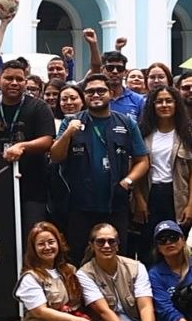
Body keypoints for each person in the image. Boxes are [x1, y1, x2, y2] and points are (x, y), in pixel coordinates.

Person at [0, 60, 56, 321]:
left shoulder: (38, 107)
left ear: (26, 81)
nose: (14, 83)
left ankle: (36, 305)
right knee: (2, 243)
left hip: (33, 188)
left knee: (32, 243)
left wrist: (23, 146)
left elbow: (47, 140)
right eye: (9, 78)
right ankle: (6, 303)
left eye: (19, 79)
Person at [50, 74, 148, 263]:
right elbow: (55, 156)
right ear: (84, 96)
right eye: (90, 91)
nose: (95, 95)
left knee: (117, 258)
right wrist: (68, 133)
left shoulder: (126, 123)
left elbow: (142, 160)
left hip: (115, 203)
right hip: (80, 205)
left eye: (101, 91)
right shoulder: (72, 122)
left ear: (110, 93)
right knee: (78, 259)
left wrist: (127, 181)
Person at [136, 86, 192, 262]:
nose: (164, 105)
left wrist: (191, 205)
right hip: (149, 194)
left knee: (174, 244)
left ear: (176, 104)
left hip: (177, 195)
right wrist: (138, 199)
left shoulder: (190, 134)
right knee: (148, 245)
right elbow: (132, 168)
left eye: (169, 101)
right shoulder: (142, 133)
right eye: (159, 101)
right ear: (152, 105)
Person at [101, 51, 144, 119]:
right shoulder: (96, 97)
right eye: (110, 68)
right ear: (102, 70)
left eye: (119, 68)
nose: (115, 71)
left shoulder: (138, 100)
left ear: (125, 72)